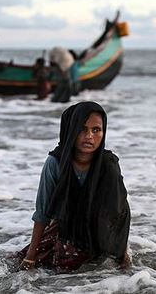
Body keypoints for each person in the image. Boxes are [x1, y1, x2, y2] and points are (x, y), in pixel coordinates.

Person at [18, 101, 131, 272]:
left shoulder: (108, 165)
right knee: (37, 267)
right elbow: (43, 213)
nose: (89, 136)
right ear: (71, 130)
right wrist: (31, 256)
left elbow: (118, 212)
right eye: (82, 129)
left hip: (100, 234)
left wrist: (122, 252)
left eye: (96, 130)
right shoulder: (55, 163)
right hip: (65, 230)